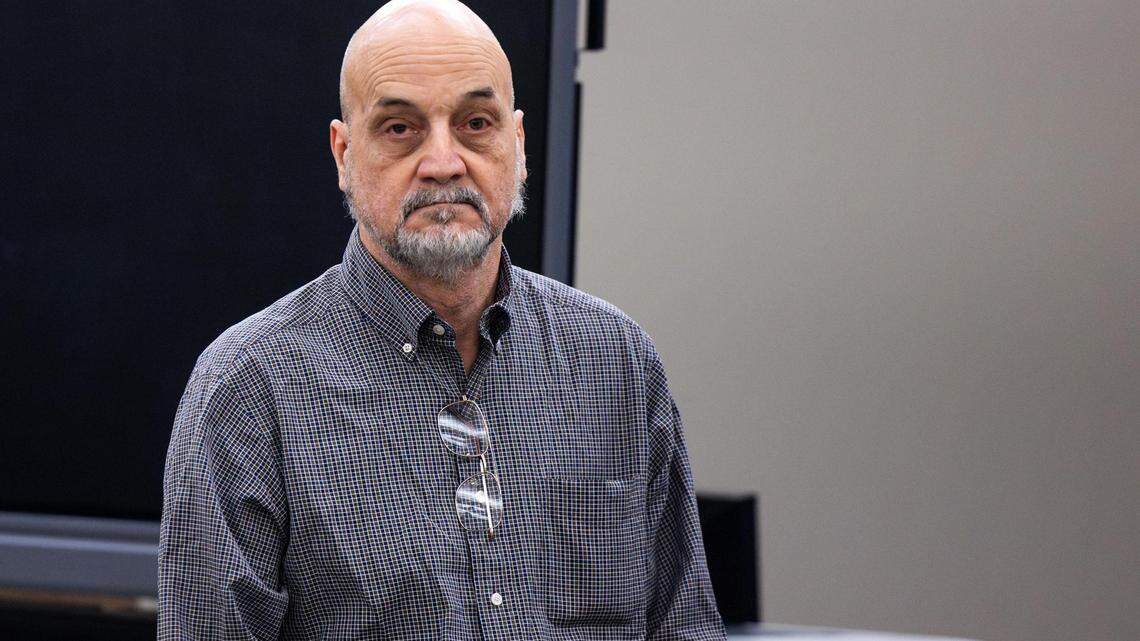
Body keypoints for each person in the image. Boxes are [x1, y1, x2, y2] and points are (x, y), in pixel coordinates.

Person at [158, 0, 725, 639]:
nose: (443, 162)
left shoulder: (617, 362)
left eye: (475, 123)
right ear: (343, 154)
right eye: (400, 128)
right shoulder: (248, 387)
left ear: (518, 144)